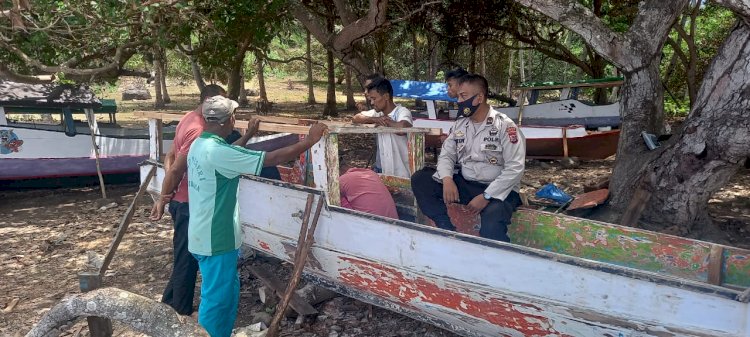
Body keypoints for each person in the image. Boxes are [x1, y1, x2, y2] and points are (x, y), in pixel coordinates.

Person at [187, 95, 328, 337]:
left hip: (205, 232)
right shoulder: (217, 152)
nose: (235, 120)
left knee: (226, 293)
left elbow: (230, 154)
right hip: (215, 237)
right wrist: (310, 140)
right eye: (234, 116)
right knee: (216, 300)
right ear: (228, 120)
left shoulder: (201, 144)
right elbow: (272, 158)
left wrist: (249, 134)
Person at [411, 74, 525, 242]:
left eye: (463, 96)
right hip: (467, 184)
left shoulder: (505, 126)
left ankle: (499, 260)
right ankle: (447, 230)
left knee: (492, 227)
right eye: (458, 96)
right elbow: (447, 154)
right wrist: (447, 179)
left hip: (499, 190)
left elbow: (515, 168)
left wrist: (486, 196)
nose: (459, 101)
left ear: (479, 97)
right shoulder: (460, 124)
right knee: (421, 179)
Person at [150, 84, 232, 316]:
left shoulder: (188, 117)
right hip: (189, 202)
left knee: (183, 256)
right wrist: (163, 198)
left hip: (181, 199)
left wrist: (166, 194)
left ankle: (168, 304)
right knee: (187, 260)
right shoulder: (199, 129)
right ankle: (180, 312)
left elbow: (171, 156)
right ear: (210, 102)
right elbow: (176, 167)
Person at [352, 78, 413, 178]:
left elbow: (403, 127)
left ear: (386, 96)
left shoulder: (402, 111)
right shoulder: (378, 113)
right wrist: (375, 119)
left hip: (404, 173)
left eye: (374, 99)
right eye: (371, 99)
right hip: (385, 172)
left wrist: (386, 121)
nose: (371, 103)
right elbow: (356, 118)